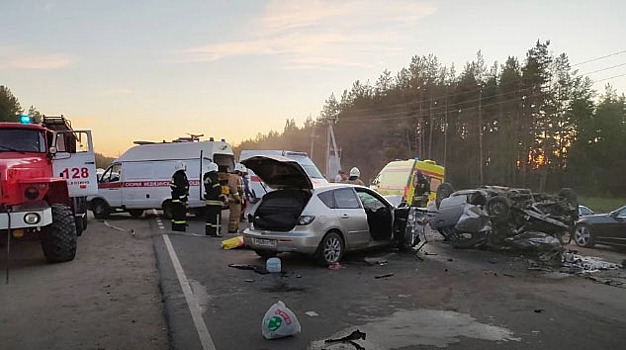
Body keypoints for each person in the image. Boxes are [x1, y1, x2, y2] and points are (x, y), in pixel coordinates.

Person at [203, 162, 225, 237]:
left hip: (209, 201)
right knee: (216, 218)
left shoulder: (206, 177)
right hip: (216, 201)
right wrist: (222, 197)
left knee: (209, 218)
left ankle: (208, 231)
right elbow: (217, 189)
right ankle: (215, 232)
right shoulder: (214, 177)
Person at [170, 161, 189, 232]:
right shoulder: (180, 176)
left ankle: (175, 227)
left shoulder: (175, 175)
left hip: (176, 198)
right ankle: (180, 227)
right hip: (180, 199)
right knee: (180, 214)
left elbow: (173, 187)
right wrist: (183, 197)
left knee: (175, 214)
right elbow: (181, 188)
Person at [228, 163, 245, 233]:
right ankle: (232, 229)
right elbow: (233, 187)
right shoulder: (233, 177)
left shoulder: (237, 177)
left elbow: (240, 188)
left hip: (238, 199)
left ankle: (236, 228)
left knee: (237, 214)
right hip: (234, 199)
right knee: (234, 215)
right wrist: (237, 197)